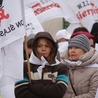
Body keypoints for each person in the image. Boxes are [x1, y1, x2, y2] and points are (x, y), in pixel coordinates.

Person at [15, 32, 69, 98]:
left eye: (47, 46)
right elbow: (21, 93)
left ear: (52, 48)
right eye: (39, 46)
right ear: (34, 48)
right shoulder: (25, 66)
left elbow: (59, 92)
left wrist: (32, 86)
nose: (43, 49)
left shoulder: (61, 67)